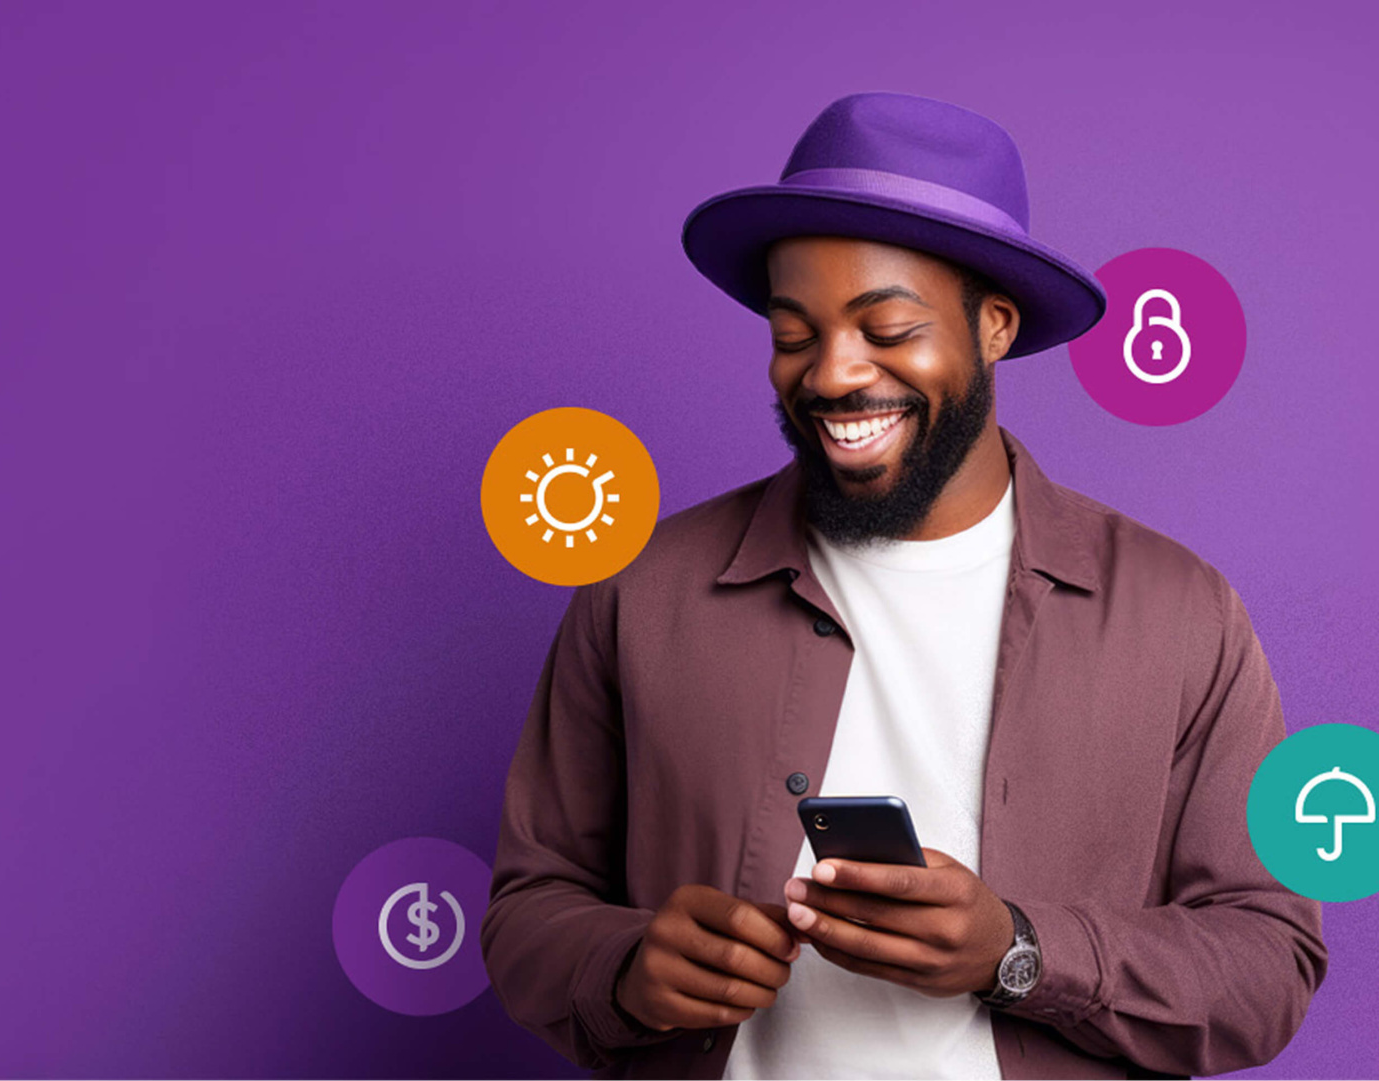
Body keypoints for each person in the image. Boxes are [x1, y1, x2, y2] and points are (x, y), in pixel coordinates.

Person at [479, 92, 1326, 1081]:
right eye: (794, 334)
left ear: (994, 326)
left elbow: (1269, 963)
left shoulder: (1179, 614)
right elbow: (529, 907)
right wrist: (625, 968)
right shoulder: (643, 590)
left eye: (886, 327)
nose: (833, 374)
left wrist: (1020, 951)